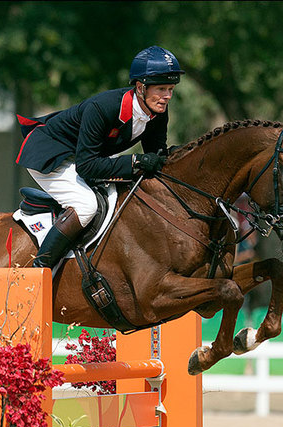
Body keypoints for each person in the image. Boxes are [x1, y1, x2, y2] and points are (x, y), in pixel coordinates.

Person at [15, 45, 183, 268]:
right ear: (141, 87)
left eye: (171, 89)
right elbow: (87, 166)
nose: (167, 96)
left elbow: (156, 154)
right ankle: (39, 270)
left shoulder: (157, 111)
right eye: (161, 89)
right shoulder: (102, 108)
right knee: (86, 206)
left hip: (82, 157)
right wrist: (135, 162)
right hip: (51, 155)